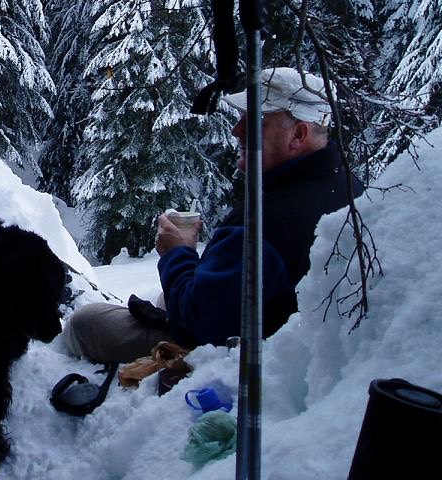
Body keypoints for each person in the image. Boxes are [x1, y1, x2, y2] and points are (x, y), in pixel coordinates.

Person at [62, 67, 365, 364]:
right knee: (164, 298)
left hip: (233, 357)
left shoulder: (266, 223)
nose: (237, 129)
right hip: (278, 332)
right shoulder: (345, 184)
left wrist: (177, 253)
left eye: (256, 120)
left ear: (298, 134)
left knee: (85, 323)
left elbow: (201, 325)